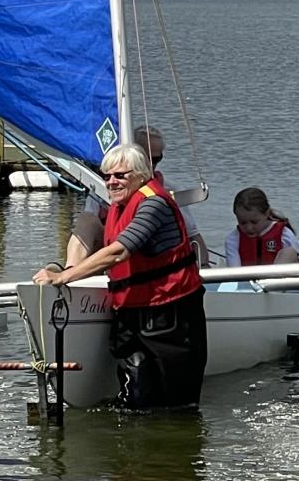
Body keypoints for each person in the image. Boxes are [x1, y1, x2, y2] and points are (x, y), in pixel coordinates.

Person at [35, 143, 207, 409]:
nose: (111, 182)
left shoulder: (154, 203)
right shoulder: (118, 204)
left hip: (169, 312)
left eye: (120, 175)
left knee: (176, 403)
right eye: (107, 177)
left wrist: (63, 278)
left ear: (140, 174)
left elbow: (118, 252)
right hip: (130, 310)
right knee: (136, 394)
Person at [67, 125, 210, 267]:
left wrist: (204, 267)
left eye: (156, 159)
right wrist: (68, 275)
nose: (150, 164)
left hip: (149, 264)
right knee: (87, 219)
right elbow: (88, 230)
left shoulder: (161, 195)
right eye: (145, 158)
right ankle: (70, 273)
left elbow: (193, 236)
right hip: (109, 262)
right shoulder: (105, 188)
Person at [224, 186, 299, 266]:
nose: (249, 228)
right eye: (243, 223)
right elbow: (235, 272)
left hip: (280, 276)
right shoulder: (233, 239)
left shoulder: (285, 235)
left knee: (290, 252)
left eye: (254, 222)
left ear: (266, 213)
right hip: (245, 277)